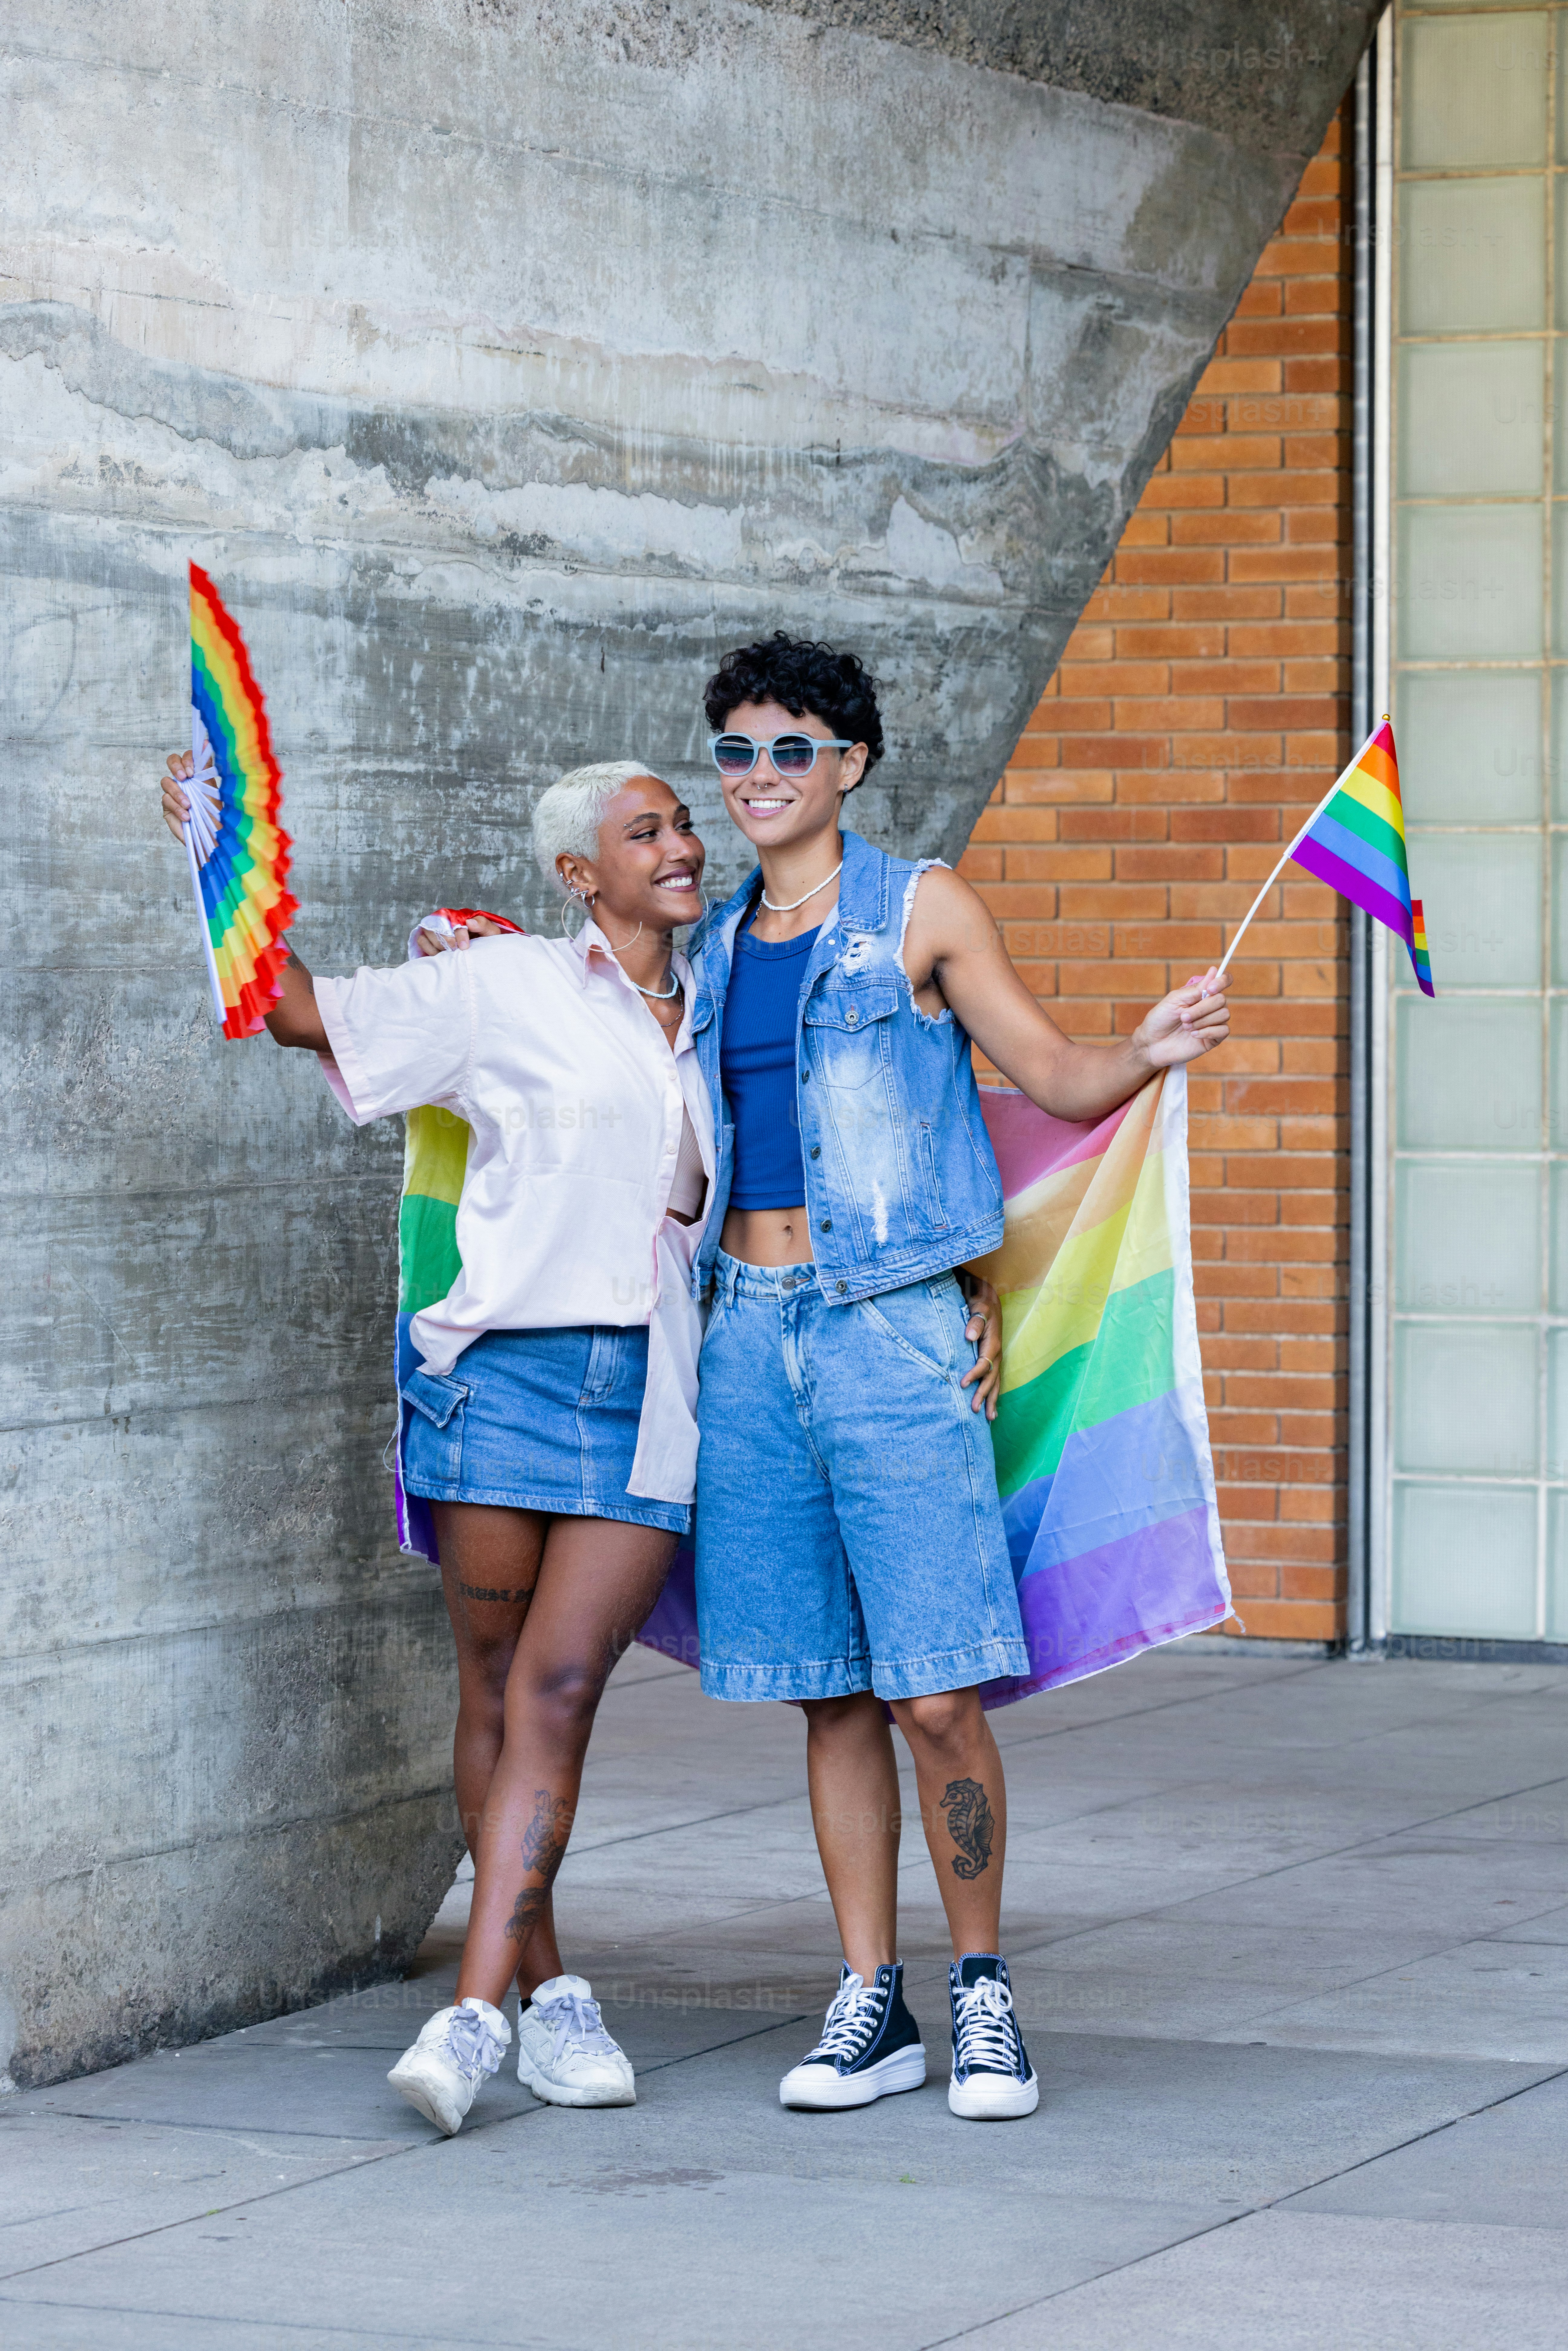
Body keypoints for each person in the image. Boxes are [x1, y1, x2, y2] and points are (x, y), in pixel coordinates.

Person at [681, 634, 1231, 2121]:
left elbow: (1045, 1075)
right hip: (748, 1333)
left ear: (849, 763)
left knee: (932, 1694)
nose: (758, 777)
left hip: (890, 1332)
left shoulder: (919, 907)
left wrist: (1149, 1047)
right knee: (829, 1697)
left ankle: (983, 1989)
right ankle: (874, 1999)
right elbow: (684, 1157)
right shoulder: (716, 945)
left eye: (790, 748)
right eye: (734, 749)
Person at [157, 754, 730, 2137]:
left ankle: (471, 2015)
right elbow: (299, 1011)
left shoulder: (726, 1006)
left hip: (643, 1394)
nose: (683, 844)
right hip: (495, 1387)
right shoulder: (501, 985)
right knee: (495, 1690)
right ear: (577, 875)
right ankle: (547, 1993)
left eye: (684, 822)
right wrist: (212, 856)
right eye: (643, 831)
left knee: (562, 1687)